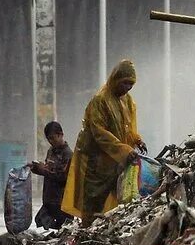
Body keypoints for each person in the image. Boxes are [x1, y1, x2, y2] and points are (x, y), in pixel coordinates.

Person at [62, 59, 146, 225]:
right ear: (116, 79)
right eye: (125, 83)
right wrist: (124, 150)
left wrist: (137, 140)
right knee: (93, 199)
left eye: (131, 84)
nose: (128, 88)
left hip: (116, 161)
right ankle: (87, 231)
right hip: (96, 161)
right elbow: (99, 133)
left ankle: (106, 228)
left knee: (118, 197)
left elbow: (128, 127)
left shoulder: (127, 101)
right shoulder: (100, 100)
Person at [30, 120, 72, 230]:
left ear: (61, 135)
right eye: (49, 139)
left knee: (62, 228)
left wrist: (43, 170)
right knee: (40, 221)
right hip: (49, 199)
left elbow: (63, 177)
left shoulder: (68, 154)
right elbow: (48, 170)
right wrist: (36, 168)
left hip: (61, 202)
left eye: (53, 138)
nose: (51, 141)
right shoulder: (51, 151)